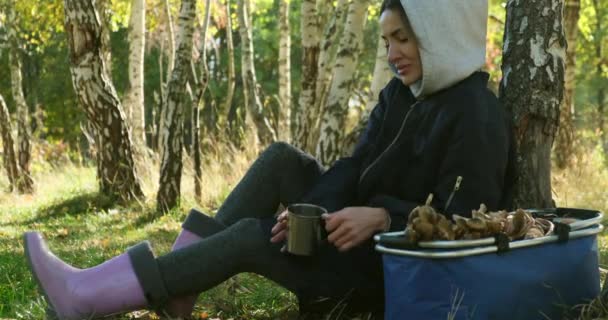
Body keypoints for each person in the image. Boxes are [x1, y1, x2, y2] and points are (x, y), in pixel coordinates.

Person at [23, 0, 515, 319]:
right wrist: (316, 210)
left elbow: (471, 221)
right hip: (350, 237)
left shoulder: (477, 114)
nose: (392, 54)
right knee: (282, 159)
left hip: (388, 274)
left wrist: (385, 218)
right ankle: (179, 285)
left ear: (442, 33)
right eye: (386, 40)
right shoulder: (400, 95)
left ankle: (85, 298)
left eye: (402, 38)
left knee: (248, 238)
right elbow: (353, 167)